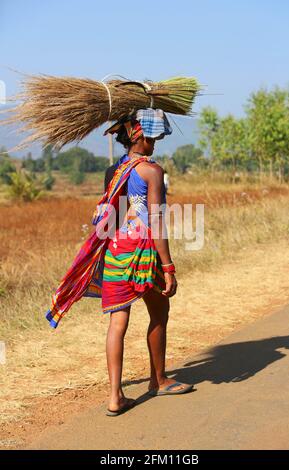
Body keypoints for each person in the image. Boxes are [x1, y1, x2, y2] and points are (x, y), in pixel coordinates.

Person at [102, 109, 194, 416]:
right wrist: (168, 267)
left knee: (118, 322)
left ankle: (115, 397)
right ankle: (159, 379)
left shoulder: (114, 171)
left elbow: (111, 216)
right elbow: (156, 222)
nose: (155, 144)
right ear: (138, 136)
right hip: (143, 252)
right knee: (160, 310)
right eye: (152, 137)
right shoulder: (151, 172)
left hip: (117, 250)